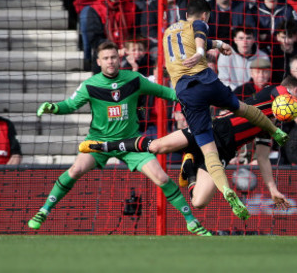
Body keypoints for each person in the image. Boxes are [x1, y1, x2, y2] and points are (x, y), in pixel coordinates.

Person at [26, 41, 211, 235]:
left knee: (162, 177)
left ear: (119, 58)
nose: (110, 61)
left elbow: (165, 92)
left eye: (113, 57)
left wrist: (192, 98)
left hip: (131, 142)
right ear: (99, 62)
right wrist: (53, 108)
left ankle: (191, 221)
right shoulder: (90, 85)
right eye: (106, 58)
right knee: (75, 170)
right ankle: (44, 210)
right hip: (98, 142)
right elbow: (70, 106)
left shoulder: (134, 79)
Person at [80, 77, 297, 210]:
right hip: (214, 128)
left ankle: (191, 163)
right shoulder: (275, 92)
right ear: (291, 91)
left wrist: (272, 189)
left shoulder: (271, 126)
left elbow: (261, 156)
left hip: (224, 151)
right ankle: (103, 145)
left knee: (199, 202)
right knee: (157, 147)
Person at [144, 0, 289, 218]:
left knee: (164, 147)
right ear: (205, 16)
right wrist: (203, 51)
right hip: (208, 86)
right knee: (240, 108)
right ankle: (195, 167)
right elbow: (200, 33)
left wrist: (218, 45)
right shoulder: (199, 24)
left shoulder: (168, 33)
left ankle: (225, 189)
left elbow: (197, 38)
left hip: (187, 93)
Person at [81, 0, 137, 73]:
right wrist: (114, 49)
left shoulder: (131, 7)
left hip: (128, 54)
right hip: (105, 55)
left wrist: (129, 48)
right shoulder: (95, 9)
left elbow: (136, 33)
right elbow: (94, 39)